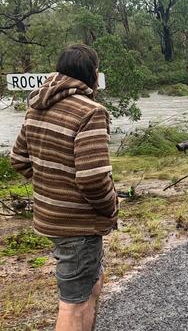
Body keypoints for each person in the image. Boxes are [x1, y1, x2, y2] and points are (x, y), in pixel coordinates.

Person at [10, 44, 118, 330]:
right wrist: (111, 207)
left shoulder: (36, 107)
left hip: (49, 218)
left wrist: (52, 186)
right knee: (73, 303)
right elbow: (93, 178)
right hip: (78, 224)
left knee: (91, 285)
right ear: (92, 74)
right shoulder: (91, 112)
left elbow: (18, 159)